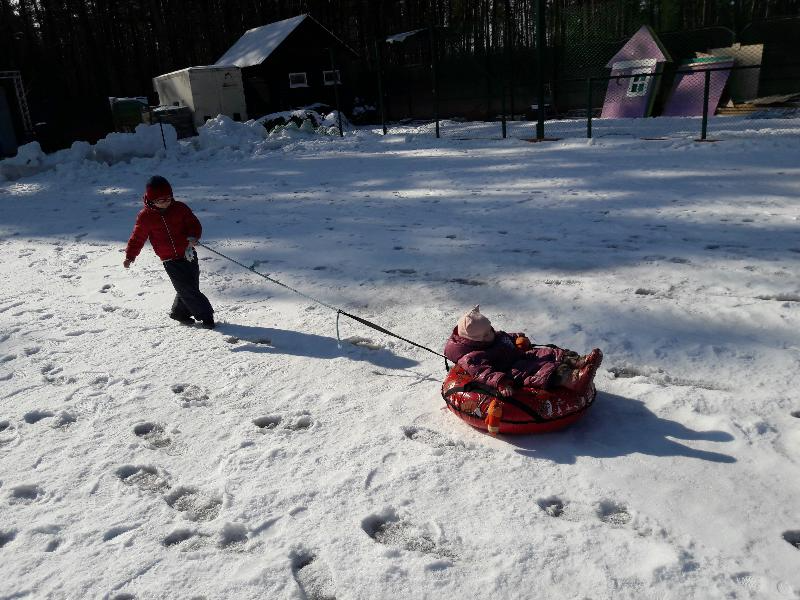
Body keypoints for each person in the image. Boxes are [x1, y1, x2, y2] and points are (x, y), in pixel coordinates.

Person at [444, 305, 602, 397]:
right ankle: (572, 379)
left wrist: (518, 339)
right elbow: (484, 373)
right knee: (542, 371)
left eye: (490, 330)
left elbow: (504, 337)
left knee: (549, 353)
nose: (491, 335)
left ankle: (579, 361)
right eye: (485, 336)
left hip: (520, 356)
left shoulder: (492, 336)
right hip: (511, 370)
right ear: (473, 341)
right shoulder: (472, 357)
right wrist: (501, 382)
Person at [123, 175, 215, 329]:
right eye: (160, 200)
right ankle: (206, 315)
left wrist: (193, 236)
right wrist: (130, 256)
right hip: (169, 259)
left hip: (188, 253)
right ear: (151, 200)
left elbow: (193, 223)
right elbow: (137, 238)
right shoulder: (145, 217)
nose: (166, 202)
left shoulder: (180, 208)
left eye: (168, 198)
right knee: (186, 288)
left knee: (189, 286)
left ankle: (179, 313)